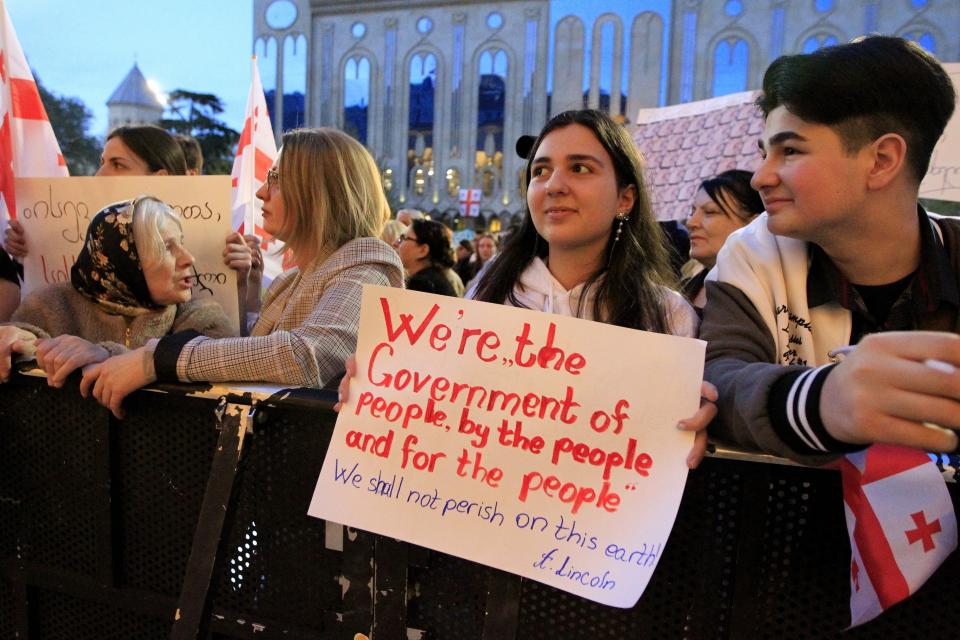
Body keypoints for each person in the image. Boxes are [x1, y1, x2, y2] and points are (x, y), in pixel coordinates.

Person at [352, 109, 714, 466]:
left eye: (580, 168)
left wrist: (695, 421)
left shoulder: (667, 316)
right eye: (541, 171)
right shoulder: (488, 294)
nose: (555, 185)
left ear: (625, 198)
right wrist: (380, 392)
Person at [700, 36, 959, 462]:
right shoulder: (755, 253)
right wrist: (823, 401)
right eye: (764, 153)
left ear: (882, 160)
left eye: (789, 151)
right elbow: (715, 383)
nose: (759, 178)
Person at [80, 128, 404, 418]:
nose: (262, 192)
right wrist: (244, 296)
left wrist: (158, 360)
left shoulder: (366, 266)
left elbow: (305, 357)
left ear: (319, 193)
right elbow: (252, 358)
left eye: (276, 180)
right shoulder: (291, 280)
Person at [2, 124, 256, 331]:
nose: (100, 174)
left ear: (160, 180)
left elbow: (227, 348)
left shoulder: (198, 318)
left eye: (118, 164)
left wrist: (240, 282)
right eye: (102, 161)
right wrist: (28, 253)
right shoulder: (48, 308)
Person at [0, 197, 233, 385]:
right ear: (123, 260)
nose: (188, 258)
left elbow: (218, 360)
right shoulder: (49, 304)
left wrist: (107, 355)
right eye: (167, 248)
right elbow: (25, 341)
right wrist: (20, 342)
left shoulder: (199, 316)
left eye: (181, 243)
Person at [682, 170, 763, 309]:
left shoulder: (766, 294)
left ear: (753, 224)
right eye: (692, 211)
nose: (691, 222)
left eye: (710, 212)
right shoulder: (687, 287)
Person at [396, 218, 456, 296]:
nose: (396, 243)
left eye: (404, 238)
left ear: (423, 250)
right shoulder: (434, 279)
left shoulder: (422, 284)